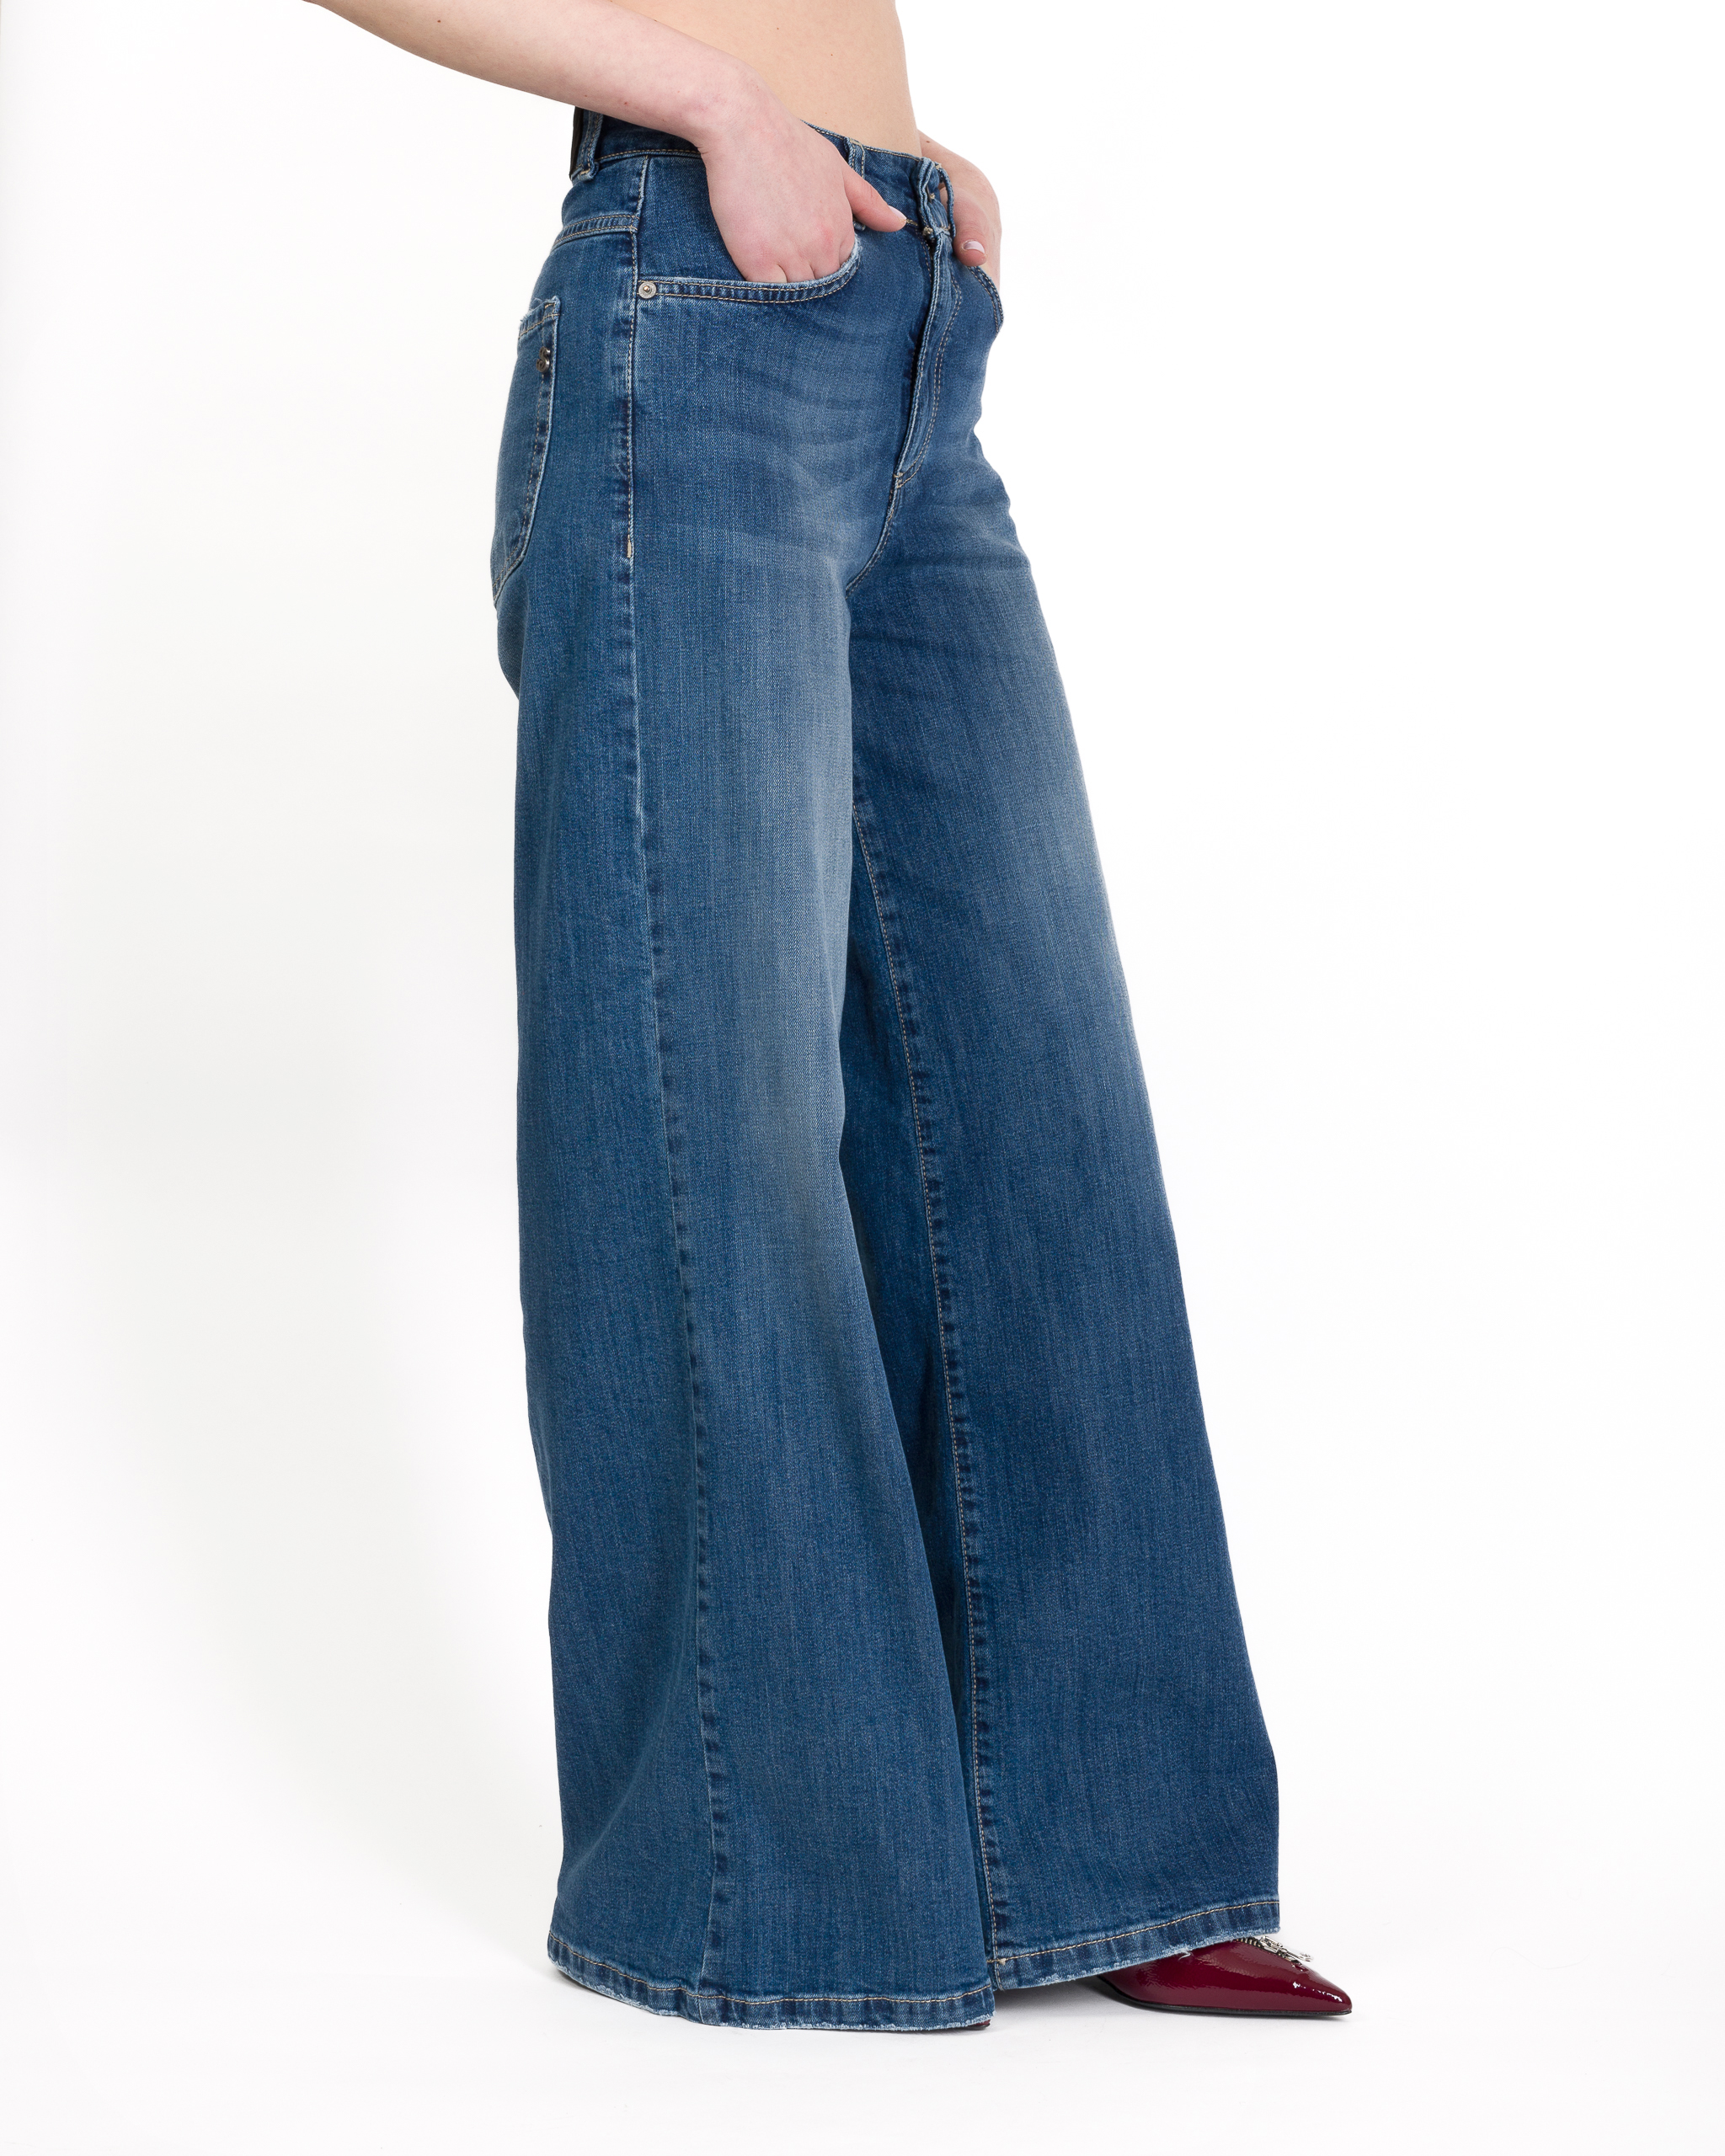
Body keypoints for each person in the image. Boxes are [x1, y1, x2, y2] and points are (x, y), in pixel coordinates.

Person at [307, 0, 1351, 2030]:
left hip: (900, 332)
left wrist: (897, 150)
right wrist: (713, 102)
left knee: (1034, 1114)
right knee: (709, 1120)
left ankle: (1098, 1854)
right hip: (687, 301)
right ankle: (769, 1880)